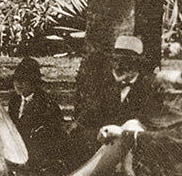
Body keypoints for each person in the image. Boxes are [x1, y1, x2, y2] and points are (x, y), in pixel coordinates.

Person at [40, 69, 182, 176]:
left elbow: (166, 140)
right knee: (132, 125)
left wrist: (122, 135)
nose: (175, 102)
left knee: (129, 131)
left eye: (179, 97)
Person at [68, 35, 160, 166]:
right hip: (102, 147)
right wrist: (98, 133)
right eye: (115, 60)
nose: (118, 66)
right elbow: (87, 119)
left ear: (138, 64)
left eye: (126, 61)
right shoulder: (105, 85)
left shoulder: (151, 86)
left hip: (136, 151)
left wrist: (120, 132)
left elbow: (149, 125)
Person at [7, 57, 66, 176]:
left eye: (24, 80)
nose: (19, 84)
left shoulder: (46, 103)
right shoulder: (14, 101)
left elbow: (53, 134)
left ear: (34, 82)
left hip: (40, 151)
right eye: (16, 80)